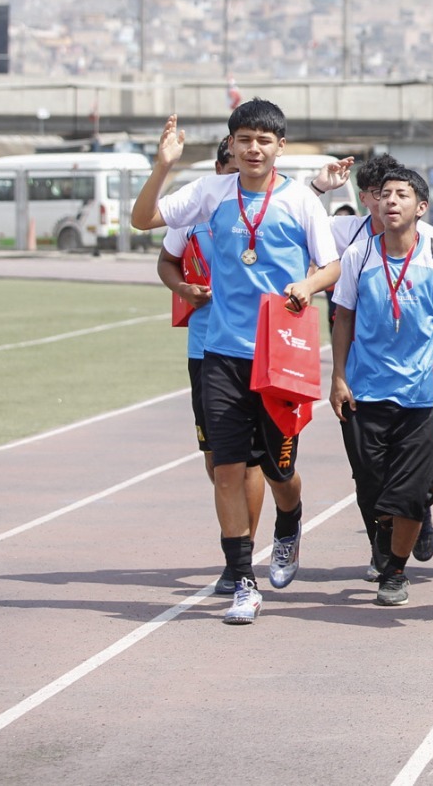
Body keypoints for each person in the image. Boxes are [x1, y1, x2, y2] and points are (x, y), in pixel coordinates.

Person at [132, 101, 342, 625]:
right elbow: (143, 221)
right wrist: (163, 165)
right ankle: (243, 580)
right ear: (231, 144)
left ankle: (289, 520)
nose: (253, 149)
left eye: (264, 140)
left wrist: (307, 285)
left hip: (281, 354)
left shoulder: (299, 200)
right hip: (223, 354)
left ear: (279, 147)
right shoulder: (211, 192)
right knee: (225, 468)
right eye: (244, 139)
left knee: (278, 470)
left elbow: (332, 266)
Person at [322, 153, 433, 581]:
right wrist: (339, 377)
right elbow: (343, 317)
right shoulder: (358, 254)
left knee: (415, 488)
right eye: (385, 195)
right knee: (371, 486)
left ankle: (395, 570)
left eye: (402, 194)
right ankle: (389, 537)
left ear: (421, 207)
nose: (391, 201)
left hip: (424, 392)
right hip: (366, 390)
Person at [156, 137, 264, 594]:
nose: (238, 173)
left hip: (256, 349)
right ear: (220, 169)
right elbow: (166, 262)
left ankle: (243, 557)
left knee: (251, 462)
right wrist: (184, 289)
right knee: (218, 461)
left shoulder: (267, 210)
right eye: (231, 165)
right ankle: (237, 552)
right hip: (205, 349)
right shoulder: (196, 212)